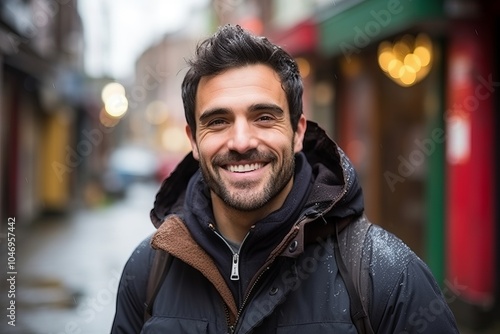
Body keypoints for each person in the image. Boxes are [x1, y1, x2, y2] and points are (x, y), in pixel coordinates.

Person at [111, 24, 459, 333]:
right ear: (193, 140)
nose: (242, 142)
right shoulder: (148, 271)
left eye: (263, 117)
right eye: (218, 121)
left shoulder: (385, 276)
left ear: (297, 132)